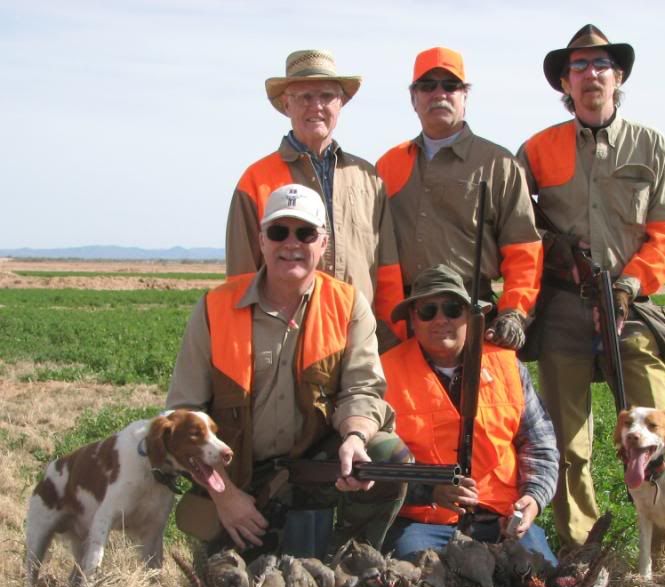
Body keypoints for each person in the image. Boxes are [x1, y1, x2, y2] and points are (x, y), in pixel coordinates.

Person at [168, 184, 408, 559]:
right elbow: (182, 418)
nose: (291, 244)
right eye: (279, 232)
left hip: (313, 465)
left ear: (323, 243)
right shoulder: (215, 308)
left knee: (386, 456)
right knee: (236, 583)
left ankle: (350, 563)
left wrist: (355, 438)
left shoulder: (348, 304)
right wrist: (225, 496)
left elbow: (362, 389)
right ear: (261, 241)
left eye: (306, 233)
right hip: (240, 475)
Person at [518, 25, 665, 545]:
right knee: (567, 444)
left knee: (657, 433)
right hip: (564, 306)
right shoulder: (537, 149)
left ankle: (664, 555)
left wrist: (629, 286)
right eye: (579, 66)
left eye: (601, 65)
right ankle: (580, 552)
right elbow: (514, 223)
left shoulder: (651, 146)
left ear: (619, 77)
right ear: (565, 83)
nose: (590, 74)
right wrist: (555, 246)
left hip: (630, 308)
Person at [225, 49, 404, 346]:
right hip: (286, 343)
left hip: (359, 339)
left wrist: (391, 338)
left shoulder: (369, 179)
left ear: (341, 103)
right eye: (305, 97)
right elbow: (241, 280)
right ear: (287, 105)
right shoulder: (255, 180)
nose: (316, 106)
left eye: (326, 96)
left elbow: (388, 271)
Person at [381, 265, 558, 561]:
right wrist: (429, 490)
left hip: (502, 521)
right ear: (412, 318)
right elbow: (374, 465)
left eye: (453, 309)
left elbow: (540, 445)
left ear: (470, 316)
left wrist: (533, 499)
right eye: (428, 311)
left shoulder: (508, 366)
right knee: (420, 579)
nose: (441, 320)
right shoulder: (385, 372)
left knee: (543, 578)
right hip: (424, 523)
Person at [376, 47, 542, 351]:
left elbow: (524, 249)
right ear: (413, 98)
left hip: (471, 313)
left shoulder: (499, 164)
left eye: (450, 85)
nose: (439, 94)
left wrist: (514, 313)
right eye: (427, 86)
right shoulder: (388, 165)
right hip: (406, 317)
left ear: (465, 96)